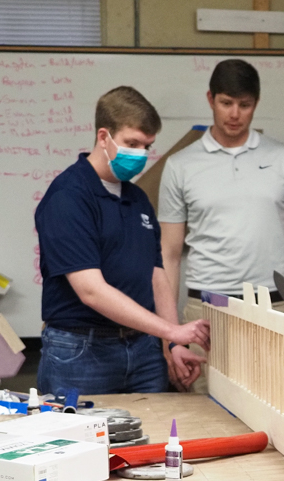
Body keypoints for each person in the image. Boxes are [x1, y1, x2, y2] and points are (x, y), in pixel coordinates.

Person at [35, 86, 208, 398]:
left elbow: (156, 275)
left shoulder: (137, 198)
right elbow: (91, 291)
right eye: (132, 144)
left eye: (147, 146)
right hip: (81, 351)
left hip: (143, 350)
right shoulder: (69, 197)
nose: (140, 154)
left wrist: (174, 345)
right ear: (104, 137)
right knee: (80, 443)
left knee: (152, 439)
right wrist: (170, 330)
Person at [160, 59, 284, 393]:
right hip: (205, 311)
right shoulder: (180, 166)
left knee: (281, 411)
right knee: (205, 414)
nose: (234, 114)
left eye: (244, 105)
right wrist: (171, 334)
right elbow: (169, 255)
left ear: (256, 104)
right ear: (210, 99)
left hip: (275, 306)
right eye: (226, 103)